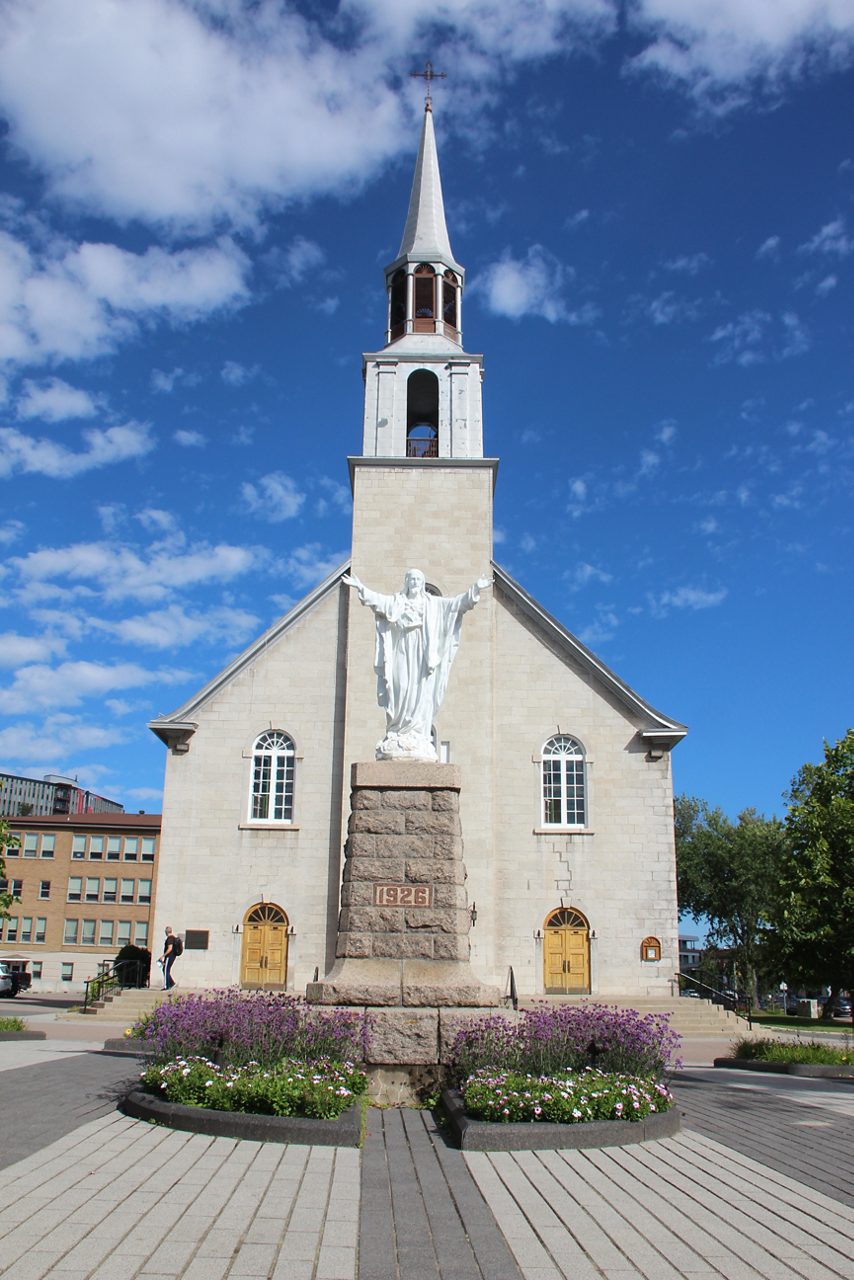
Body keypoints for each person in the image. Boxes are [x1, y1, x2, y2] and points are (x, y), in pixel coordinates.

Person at [343, 567, 492, 760]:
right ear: (406, 582)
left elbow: (457, 605)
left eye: (417, 579)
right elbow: (377, 601)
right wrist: (359, 586)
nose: (414, 582)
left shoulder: (433, 604)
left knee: (420, 691)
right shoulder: (397, 602)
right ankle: (398, 730)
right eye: (411, 579)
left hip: (421, 654)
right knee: (401, 686)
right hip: (402, 650)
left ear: (422, 584)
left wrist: (476, 589)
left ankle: (417, 734)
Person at [159, 926, 180, 991]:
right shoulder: (173, 938)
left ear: (166, 932)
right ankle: (171, 983)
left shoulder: (170, 939)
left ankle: (166, 986)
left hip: (169, 956)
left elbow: (170, 948)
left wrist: (163, 956)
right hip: (172, 956)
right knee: (165, 970)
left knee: (165, 970)